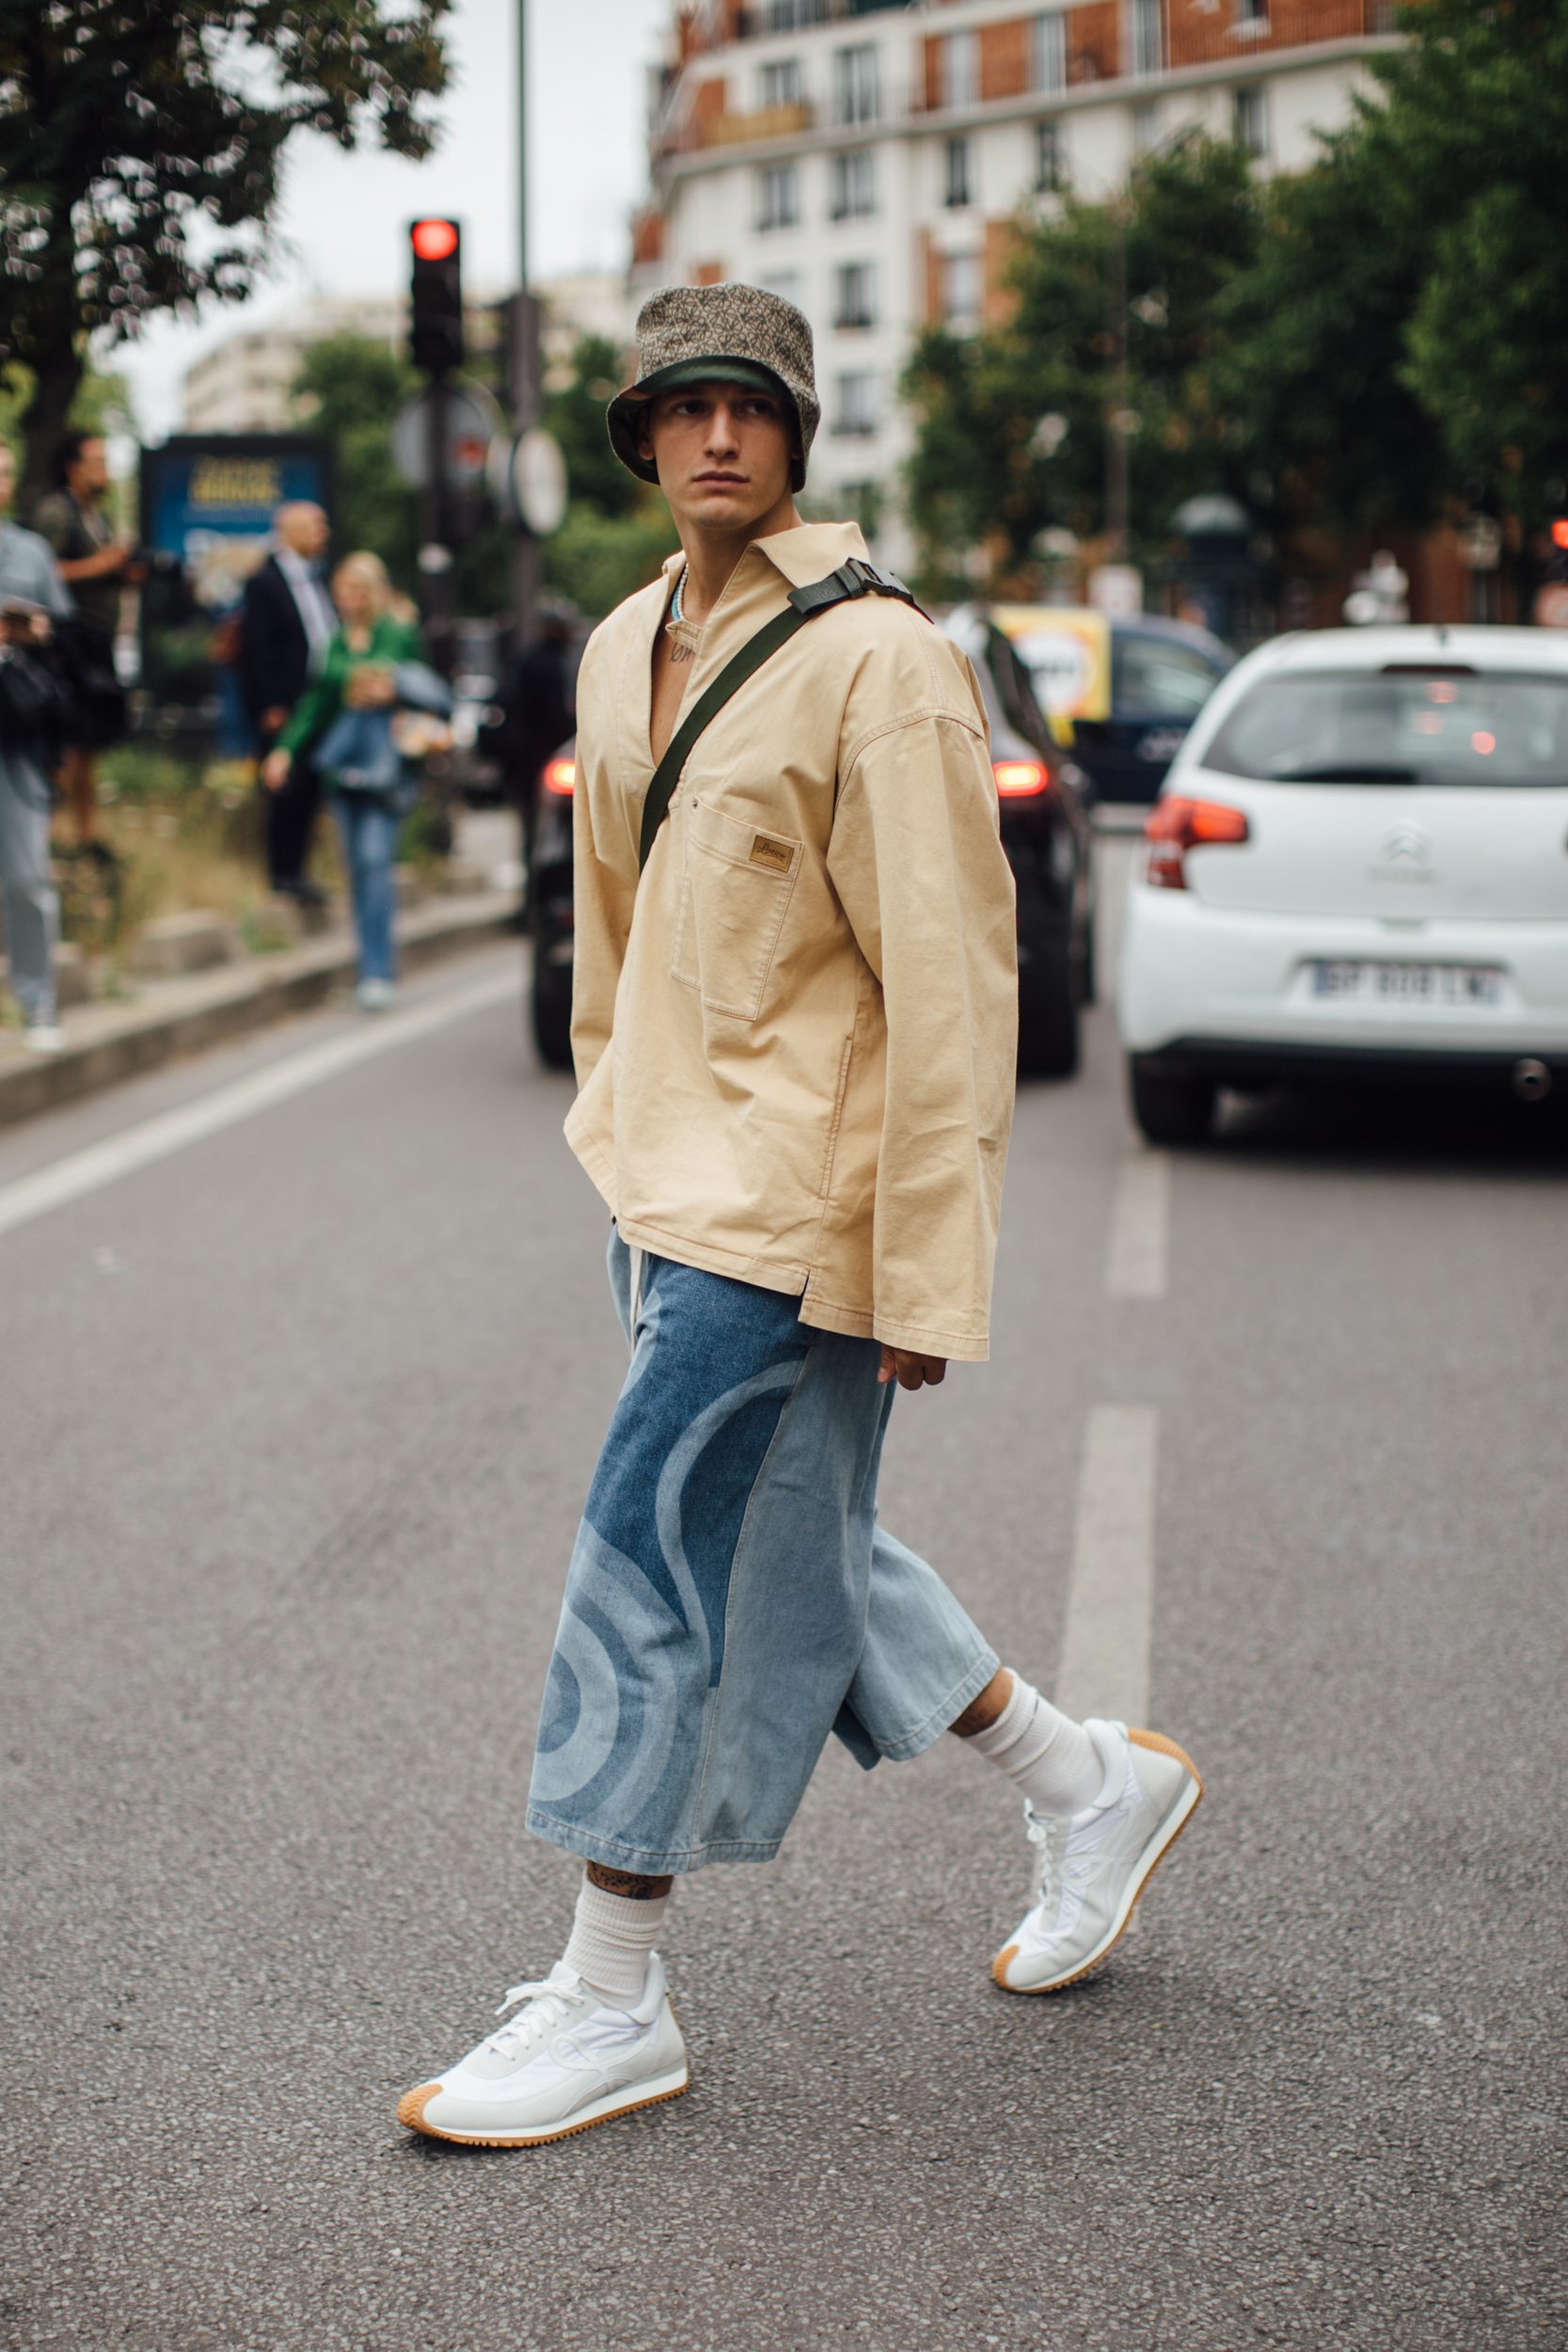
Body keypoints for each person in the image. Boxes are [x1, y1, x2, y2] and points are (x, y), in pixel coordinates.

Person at [397, 285, 1205, 2151]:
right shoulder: (615, 648)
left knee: (654, 1536)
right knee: (786, 1529)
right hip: (660, 1176)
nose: (711, 436)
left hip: (792, 1205)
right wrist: (611, 1113)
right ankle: (1078, 1778)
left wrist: (917, 1260)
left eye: (744, 403)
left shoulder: (883, 663)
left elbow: (953, 980)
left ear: (795, 428)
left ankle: (611, 1989)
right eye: (675, 407)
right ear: (636, 438)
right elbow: (609, 918)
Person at [261, 551, 449, 1012]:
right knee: (357, 870)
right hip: (342, 766)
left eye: (355, 591)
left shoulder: (398, 632)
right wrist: (285, 750)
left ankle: (379, 971)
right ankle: (368, 967)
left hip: (387, 768)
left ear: (373, 592)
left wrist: (392, 688)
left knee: (374, 862)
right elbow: (316, 703)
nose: (346, 600)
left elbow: (427, 689)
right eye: (341, 592)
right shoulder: (336, 641)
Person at [0, 442, 73, 1052]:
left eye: (3, 471)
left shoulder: (31, 552)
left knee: (26, 875)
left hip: (17, 734)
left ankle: (37, 1003)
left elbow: (65, 636)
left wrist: (33, 629)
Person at [30, 431, 137, 849]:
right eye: (97, 461)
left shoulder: (97, 515)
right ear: (73, 467)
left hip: (96, 643)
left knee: (89, 740)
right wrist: (101, 564)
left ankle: (86, 835)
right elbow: (42, 571)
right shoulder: (57, 512)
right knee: (67, 737)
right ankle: (51, 835)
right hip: (66, 645)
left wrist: (120, 572)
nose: (105, 470)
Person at [242, 501, 336, 904]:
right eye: (315, 525)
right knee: (285, 787)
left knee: (310, 786)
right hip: (286, 703)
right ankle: (282, 873)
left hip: (317, 701)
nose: (323, 532)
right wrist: (270, 705)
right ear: (290, 530)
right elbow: (258, 650)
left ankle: (300, 870)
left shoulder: (318, 577)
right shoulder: (265, 582)